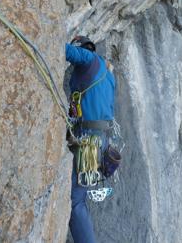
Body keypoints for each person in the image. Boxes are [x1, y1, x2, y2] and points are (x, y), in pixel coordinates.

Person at [65, 36, 115, 243]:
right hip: (100, 140)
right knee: (80, 197)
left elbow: (65, 50)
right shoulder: (109, 76)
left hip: (88, 140)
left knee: (76, 201)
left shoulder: (88, 59)